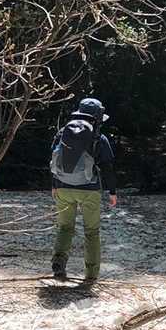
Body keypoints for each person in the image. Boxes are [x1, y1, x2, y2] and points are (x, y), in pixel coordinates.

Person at [50, 97, 118, 282]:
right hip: (89, 189)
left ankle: (58, 263)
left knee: (65, 227)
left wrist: (54, 185)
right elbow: (107, 167)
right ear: (97, 117)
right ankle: (91, 274)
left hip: (63, 186)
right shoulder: (98, 138)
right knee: (91, 232)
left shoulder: (62, 133)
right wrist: (112, 192)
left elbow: (54, 159)